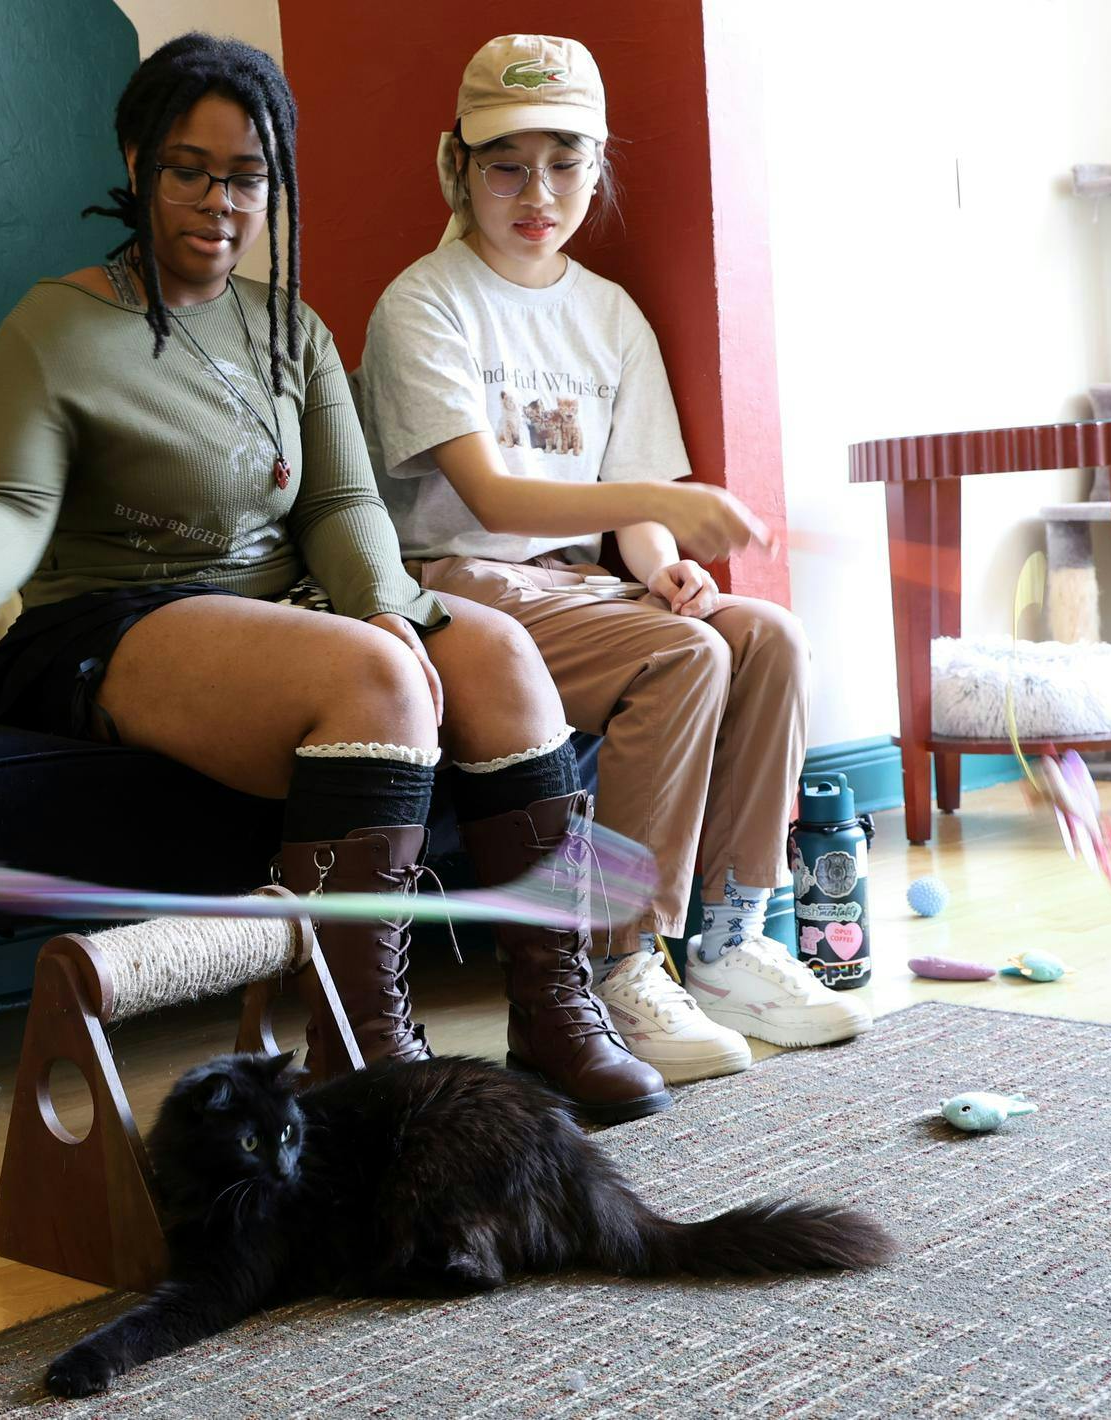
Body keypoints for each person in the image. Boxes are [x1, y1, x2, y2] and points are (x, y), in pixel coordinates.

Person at [0, 34, 672, 1124]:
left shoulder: (291, 327)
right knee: (376, 681)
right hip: (113, 617)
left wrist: (391, 607)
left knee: (497, 653)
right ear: (137, 159)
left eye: (250, 179)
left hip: (290, 608)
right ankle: (358, 1046)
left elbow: (338, 506)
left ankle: (553, 1010)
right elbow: (8, 508)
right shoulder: (53, 326)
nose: (221, 202)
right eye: (191, 169)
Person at [358, 34, 870, 1083]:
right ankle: (614, 962)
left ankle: (727, 939)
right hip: (460, 583)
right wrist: (653, 514)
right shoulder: (423, 304)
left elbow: (630, 505)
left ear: (596, 166)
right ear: (455, 165)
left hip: (583, 584)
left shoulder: (607, 313)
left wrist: (659, 560)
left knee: (760, 634)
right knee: (678, 658)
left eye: (565, 161)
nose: (536, 191)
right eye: (504, 163)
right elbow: (492, 499)